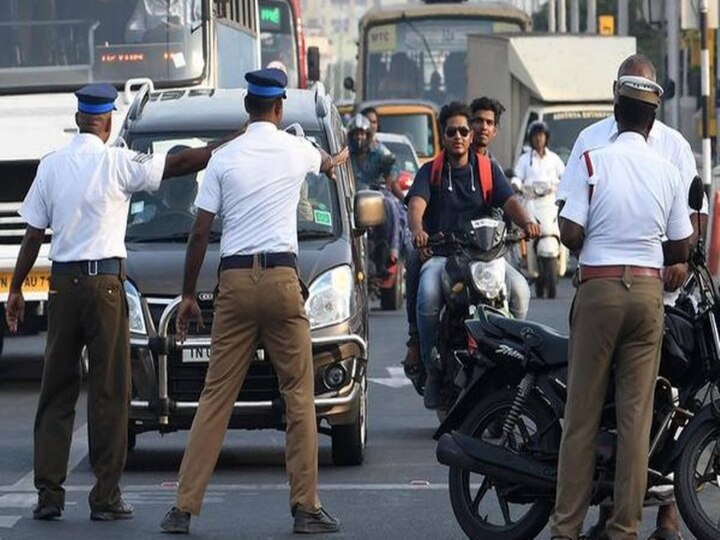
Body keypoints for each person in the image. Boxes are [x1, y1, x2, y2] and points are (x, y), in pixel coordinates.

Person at [6, 83, 222, 522]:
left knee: (56, 391)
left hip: (62, 286)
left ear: (78, 119)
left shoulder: (51, 166)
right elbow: (181, 163)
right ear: (106, 122)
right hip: (106, 287)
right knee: (110, 391)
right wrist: (230, 143)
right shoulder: (118, 162)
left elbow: (33, 235)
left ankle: (49, 495)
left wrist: (15, 290)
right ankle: (105, 497)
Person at [159, 68, 348, 535]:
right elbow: (327, 162)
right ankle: (306, 507)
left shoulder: (224, 157)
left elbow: (200, 231)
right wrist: (341, 156)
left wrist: (187, 295)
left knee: (216, 396)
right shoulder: (295, 148)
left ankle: (183, 507)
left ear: (248, 107)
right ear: (280, 108)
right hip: (284, 280)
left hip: (235, 283)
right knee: (298, 396)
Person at [556, 54, 708, 540]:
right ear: (652, 116)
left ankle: (567, 528)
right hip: (647, 296)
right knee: (636, 420)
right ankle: (624, 529)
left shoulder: (591, 159)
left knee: (579, 417)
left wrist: (597, 232)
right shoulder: (665, 169)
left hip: (599, 289)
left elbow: (570, 231)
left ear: (615, 108)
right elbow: (683, 244)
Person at [407, 101, 540, 409]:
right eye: (452, 131)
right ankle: (432, 364)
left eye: (463, 131)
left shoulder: (486, 170)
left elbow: (509, 202)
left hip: (484, 257)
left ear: (470, 136)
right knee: (427, 294)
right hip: (443, 256)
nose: (458, 136)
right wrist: (418, 230)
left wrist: (529, 223)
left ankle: (512, 353)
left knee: (519, 289)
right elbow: (416, 205)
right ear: (443, 134)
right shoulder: (431, 172)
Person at [347, 113, 405, 274]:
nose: (359, 137)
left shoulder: (378, 149)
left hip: (374, 195)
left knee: (392, 205)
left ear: (368, 135)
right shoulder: (344, 151)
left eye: (362, 133)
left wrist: (389, 180)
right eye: (356, 134)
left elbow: (392, 166)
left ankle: (391, 252)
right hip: (349, 196)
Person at [514, 120, 565, 189]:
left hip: (551, 197)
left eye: (541, 135)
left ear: (546, 137)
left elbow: (565, 177)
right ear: (531, 139)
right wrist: (515, 185)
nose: (538, 139)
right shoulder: (524, 159)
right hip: (530, 198)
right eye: (535, 136)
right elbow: (517, 178)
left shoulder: (554, 158)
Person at [125, 0, 201, 43]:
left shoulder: (196, 2)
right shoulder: (146, 3)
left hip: (189, 55)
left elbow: (204, 30)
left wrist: (181, 28)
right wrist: (155, 32)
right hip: (157, 57)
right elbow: (130, 36)